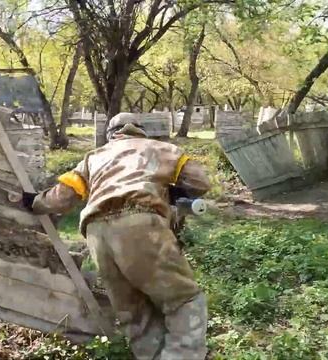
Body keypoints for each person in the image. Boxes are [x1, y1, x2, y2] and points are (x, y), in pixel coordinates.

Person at [22, 113, 212, 360]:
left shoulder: (94, 157)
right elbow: (200, 181)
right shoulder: (163, 149)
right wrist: (173, 191)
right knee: (184, 300)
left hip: (97, 234)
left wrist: (34, 201)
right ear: (140, 131)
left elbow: (62, 197)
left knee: (135, 315)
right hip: (141, 224)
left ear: (111, 134)